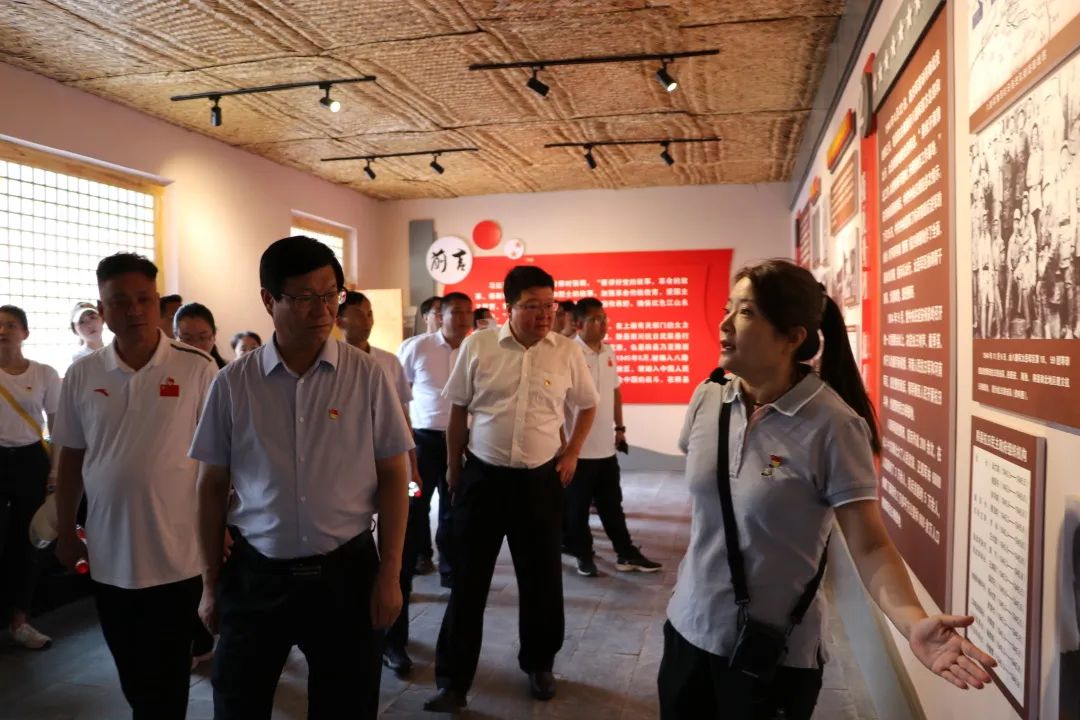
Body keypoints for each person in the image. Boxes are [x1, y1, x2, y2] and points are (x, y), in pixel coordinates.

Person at [657, 259, 996, 719]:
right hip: (687, 630)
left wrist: (912, 621)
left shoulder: (834, 425)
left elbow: (870, 545)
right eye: (727, 308)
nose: (725, 324)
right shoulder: (708, 398)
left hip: (769, 655)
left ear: (792, 337)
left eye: (746, 312)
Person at [189, 236, 413, 720]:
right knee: (237, 703)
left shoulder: (366, 375)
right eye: (305, 297)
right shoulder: (234, 383)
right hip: (257, 573)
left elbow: (395, 475)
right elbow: (210, 485)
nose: (323, 309)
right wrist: (210, 583)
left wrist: (390, 573)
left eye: (331, 294)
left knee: (347, 706)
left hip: (346, 574)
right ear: (269, 299)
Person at [424, 266, 599, 712]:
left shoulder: (565, 352)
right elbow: (459, 409)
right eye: (533, 306)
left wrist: (573, 452)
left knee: (541, 580)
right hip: (483, 478)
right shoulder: (479, 346)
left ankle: (539, 664)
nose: (545, 315)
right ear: (509, 307)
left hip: (539, 481)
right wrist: (454, 467)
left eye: (549, 305)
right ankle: (453, 681)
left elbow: (587, 405)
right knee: (469, 581)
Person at [52, 253, 218, 719]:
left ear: (157, 303)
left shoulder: (197, 367)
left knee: (169, 674)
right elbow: (71, 457)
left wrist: (221, 527)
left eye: (143, 299)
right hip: (109, 553)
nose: (134, 310)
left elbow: (219, 461)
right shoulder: (83, 374)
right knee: (131, 669)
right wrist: (66, 532)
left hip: (177, 553)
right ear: (103, 309)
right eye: (120, 301)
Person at [336, 289, 423, 675]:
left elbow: (403, 418)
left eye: (371, 313)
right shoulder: (331, 364)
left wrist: (413, 466)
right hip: (350, 479)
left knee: (396, 559)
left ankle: (395, 643)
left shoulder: (387, 361)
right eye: (360, 314)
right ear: (340, 319)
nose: (368, 320)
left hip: (392, 471)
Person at [563, 298, 661, 577]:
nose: (602, 324)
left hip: (605, 448)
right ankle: (583, 554)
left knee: (611, 505)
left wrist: (620, 428)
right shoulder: (568, 353)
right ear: (578, 324)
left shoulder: (608, 351)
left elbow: (615, 390)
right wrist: (563, 447)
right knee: (577, 509)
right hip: (577, 450)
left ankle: (625, 553)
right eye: (595, 319)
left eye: (604, 318)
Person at [397, 291, 473, 588]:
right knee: (416, 503)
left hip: (463, 441)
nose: (464, 318)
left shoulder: (475, 349)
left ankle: (450, 568)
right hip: (423, 440)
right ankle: (419, 556)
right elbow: (399, 394)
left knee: (454, 506)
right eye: (457, 311)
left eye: (468, 312)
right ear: (442, 316)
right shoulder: (418, 347)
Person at [0, 305, 60, 650]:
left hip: (31, 460)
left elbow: (58, 425)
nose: (3, 331)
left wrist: (56, 470)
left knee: (29, 541)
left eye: (10, 325)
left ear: (25, 332)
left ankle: (20, 621)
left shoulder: (44, 373)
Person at [175, 302, 227, 369]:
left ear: (214, 335)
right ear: (175, 336)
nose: (195, 346)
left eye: (202, 338)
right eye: (187, 339)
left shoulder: (227, 372)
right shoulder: (166, 369)